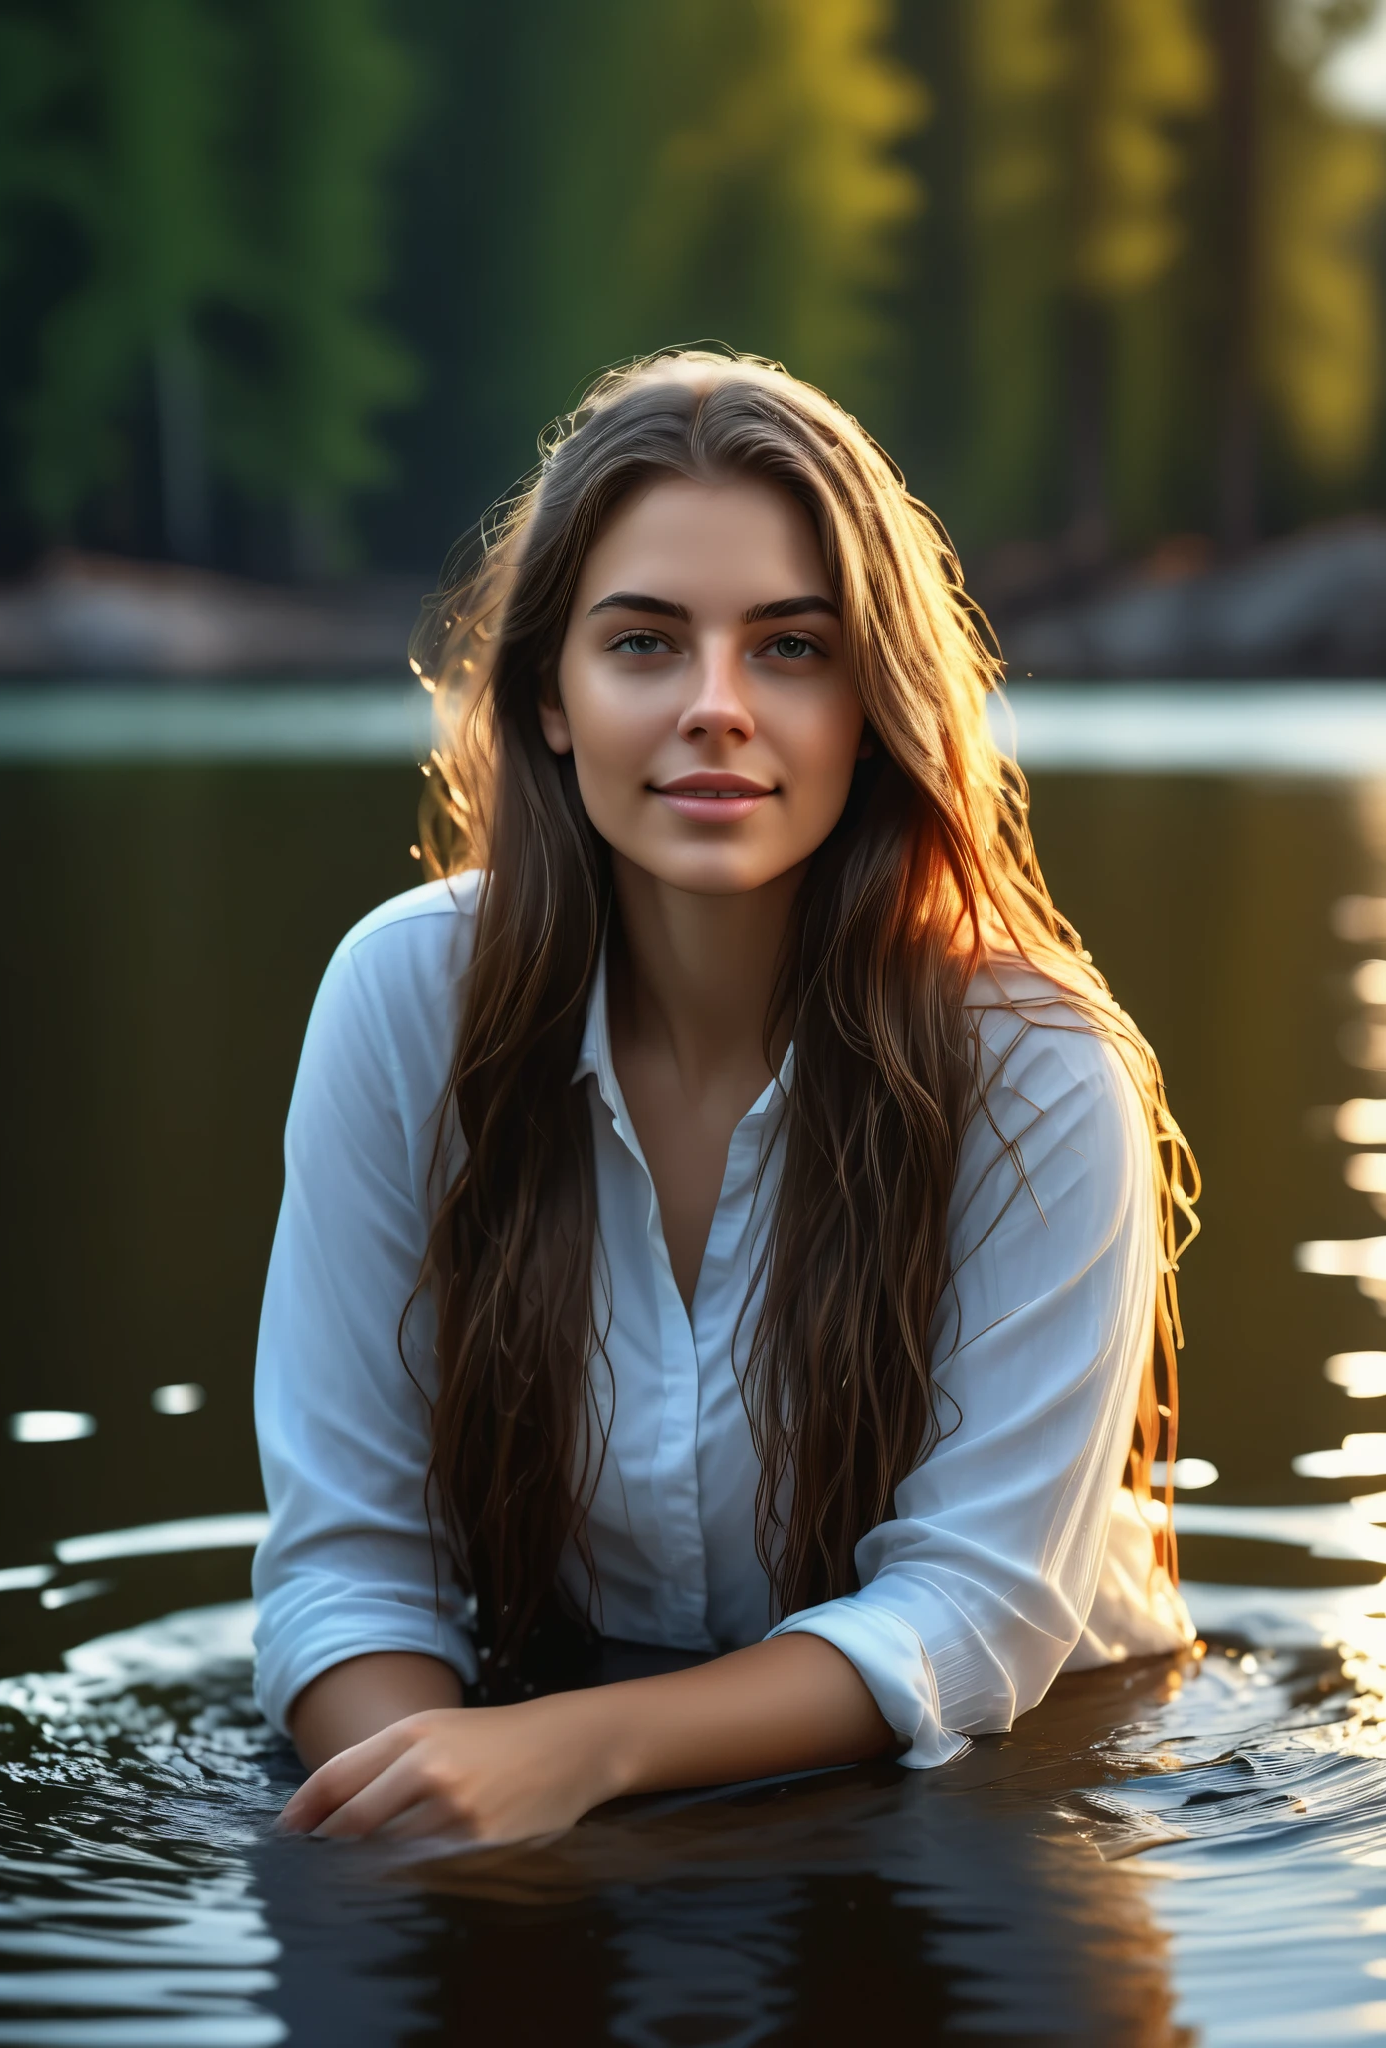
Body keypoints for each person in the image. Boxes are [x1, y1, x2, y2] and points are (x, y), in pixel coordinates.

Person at [256, 349, 1199, 1847]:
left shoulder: (1036, 1067)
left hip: (1025, 1787)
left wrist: (578, 1755)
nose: (715, 708)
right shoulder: (401, 1005)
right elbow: (350, 1569)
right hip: (587, 1764)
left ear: (873, 701)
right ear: (550, 700)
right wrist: (433, 1822)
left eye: (791, 648)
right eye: (642, 644)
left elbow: (972, 1615)